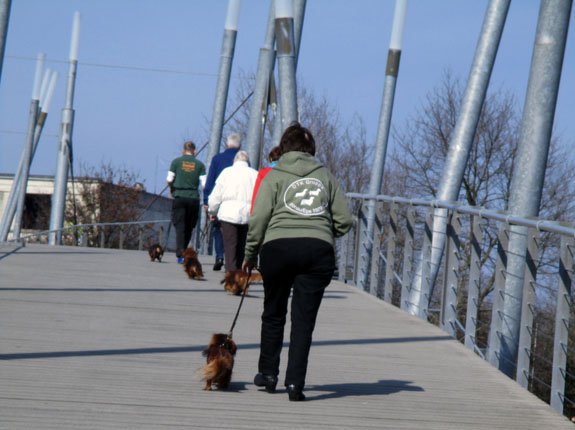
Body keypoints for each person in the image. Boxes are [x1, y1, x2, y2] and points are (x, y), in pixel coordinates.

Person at [242, 122, 352, 401]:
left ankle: (268, 373)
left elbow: (258, 218)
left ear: (285, 148)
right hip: (317, 251)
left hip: (277, 249)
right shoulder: (325, 176)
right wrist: (326, 231)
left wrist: (250, 253)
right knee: (303, 321)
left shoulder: (274, 175)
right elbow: (344, 220)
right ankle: (295, 384)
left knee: (274, 312)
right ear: (311, 150)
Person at [208, 150, 258, 273]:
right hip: (248, 216)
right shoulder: (255, 174)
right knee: (242, 247)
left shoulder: (226, 172)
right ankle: (240, 275)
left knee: (230, 247)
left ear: (235, 161)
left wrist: (212, 211)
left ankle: (231, 277)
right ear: (248, 162)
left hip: (228, 215)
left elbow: (216, 195)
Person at [203, 132, 241, 271]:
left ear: (226, 144)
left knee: (218, 229)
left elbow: (210, 182)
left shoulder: (217, 159)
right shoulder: (244, 161)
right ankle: (233, 261)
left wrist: (206, 201)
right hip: (239, 202)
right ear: (240, 146)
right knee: (236, 233)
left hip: (220, 200)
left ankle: (219, 256)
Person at [167, 140, 206, 264]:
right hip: (193, 197)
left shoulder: (176, 162)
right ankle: (184, 251)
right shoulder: (200, 165)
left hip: (179, 196)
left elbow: (169, 179)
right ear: (194, 151)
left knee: (180, 225)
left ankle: (180, 253)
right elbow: (204, 184)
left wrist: (172, 188)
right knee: (190, 225)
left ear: (183, 150)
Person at [250, 146, 281, 214]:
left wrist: (252, 213)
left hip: (266, 213)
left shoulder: (263, 173)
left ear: (270, 159)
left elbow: (256, 197)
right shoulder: (290, 174)